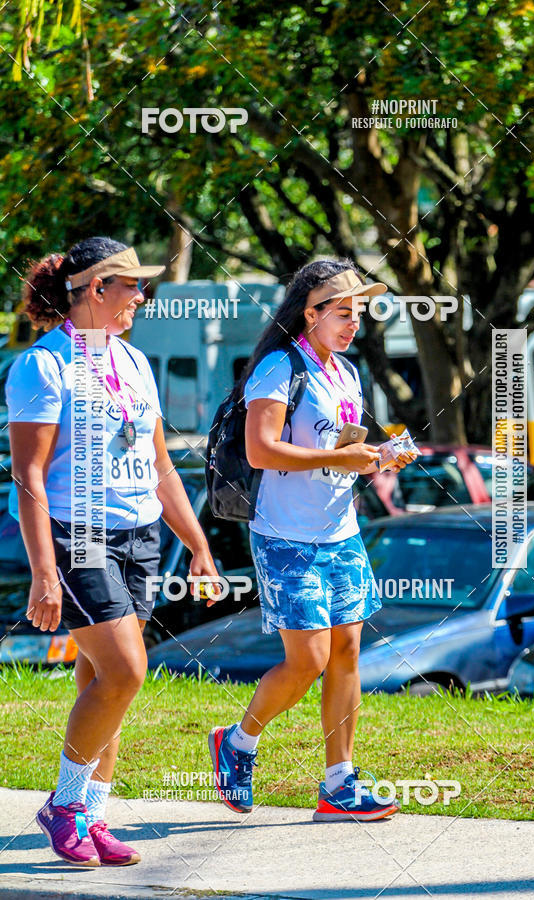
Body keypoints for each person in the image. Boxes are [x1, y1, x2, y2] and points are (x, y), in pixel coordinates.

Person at [7, 237, 220, 866]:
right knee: (127, 671)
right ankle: (65, 805)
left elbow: (161, 466)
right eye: (131, 285)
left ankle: (93, 814)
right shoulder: (43, 366)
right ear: (95, 289)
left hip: (141, 536)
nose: (142, 296)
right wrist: (44, 572)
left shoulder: (133, 361)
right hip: (83, 534)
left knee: (105, 680)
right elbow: (30, 476)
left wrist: (199, 547)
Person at [208, 259, 415, 822]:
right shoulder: (280, 367)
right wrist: (340, 456)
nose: (353, 323)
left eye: (359, 313)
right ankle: (238, 742)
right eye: (342, 312)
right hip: (285, 536)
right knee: (308, 659)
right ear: (311, 312)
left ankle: (339, 782)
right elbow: (261, 450)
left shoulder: (344, 373)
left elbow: (342, 455)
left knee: (347, 650)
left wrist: (379, 456)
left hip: (341, 531)